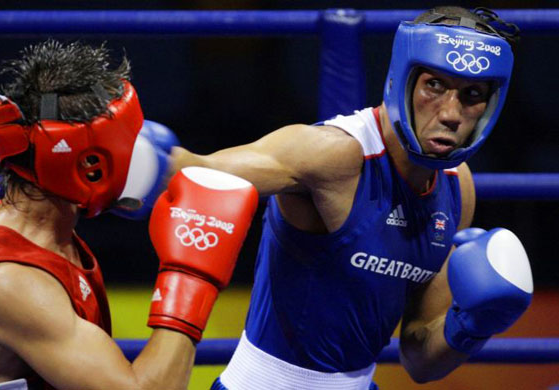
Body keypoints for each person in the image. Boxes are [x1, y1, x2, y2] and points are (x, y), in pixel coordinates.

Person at [167, 6, 534, 389]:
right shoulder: (335, 155)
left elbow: (420, 359)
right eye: (434, 85)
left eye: (472, 95)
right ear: (402, 79)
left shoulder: (458, 188)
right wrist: (134, 152)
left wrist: (470, 327)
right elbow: (194, 171)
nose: (450, 114)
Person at [0, 40, 259, 390]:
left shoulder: (32, 227)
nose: (140, 153)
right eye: (125, 144)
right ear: (91, 166)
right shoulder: (12, 285)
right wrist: (190, 278)